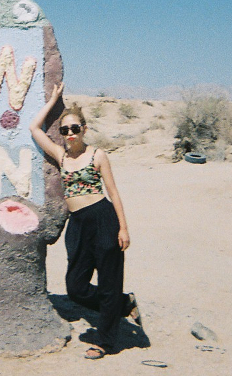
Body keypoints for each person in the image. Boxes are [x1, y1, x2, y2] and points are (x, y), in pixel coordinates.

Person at [29, 83, 141, 359]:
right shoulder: (61, 155)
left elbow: (113, 193)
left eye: (74, 128)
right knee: (75, 288)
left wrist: (123, 227)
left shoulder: (97, 155)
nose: (69, 134)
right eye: (65, 130)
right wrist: (54, 99)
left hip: (103, 218)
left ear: (84, 129)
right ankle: (123, 304)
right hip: (77, 224)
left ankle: (104, 341)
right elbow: (34, 129)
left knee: (109, 281)